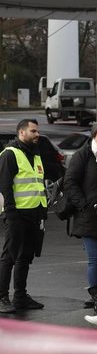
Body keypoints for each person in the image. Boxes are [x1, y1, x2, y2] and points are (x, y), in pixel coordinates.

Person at [64, 120, 97, 315]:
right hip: (89, 216)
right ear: (94, 137)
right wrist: (83, 205)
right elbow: (70, 182)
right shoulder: (84, 155)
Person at [0, 119, 48, 313]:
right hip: (16, 215)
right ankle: (2, 296)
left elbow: (38, 185)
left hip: (34, 215)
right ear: (21, 133)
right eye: (33, 131)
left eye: (37, 131)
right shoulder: (10, 154)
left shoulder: (35, 155)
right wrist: (10, 214)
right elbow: (4, 188)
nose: (37, 134)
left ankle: (20, 296)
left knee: (25, 257)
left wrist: (42, 212)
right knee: (9, 256)